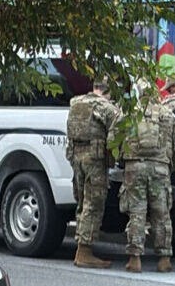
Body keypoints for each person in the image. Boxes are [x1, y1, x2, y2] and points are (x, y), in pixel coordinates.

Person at [108, 81, 175, 273]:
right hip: (160, 169)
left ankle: (135, 259)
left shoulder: (127, 113)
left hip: (134, 167)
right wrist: (174, 166)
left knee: (136, 213)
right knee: (161, 214)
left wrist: (121, 158)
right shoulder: (167, 115)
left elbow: (112, 140)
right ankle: (164, 259)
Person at [66, 77, 117, 268]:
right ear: (108, 90)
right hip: (95, 161)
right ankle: (84, 252)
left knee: (82, 202)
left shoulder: (76, 102)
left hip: (76, 157)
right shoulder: (105, 107)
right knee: (93, 204)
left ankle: (80, 248)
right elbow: (117, 131)